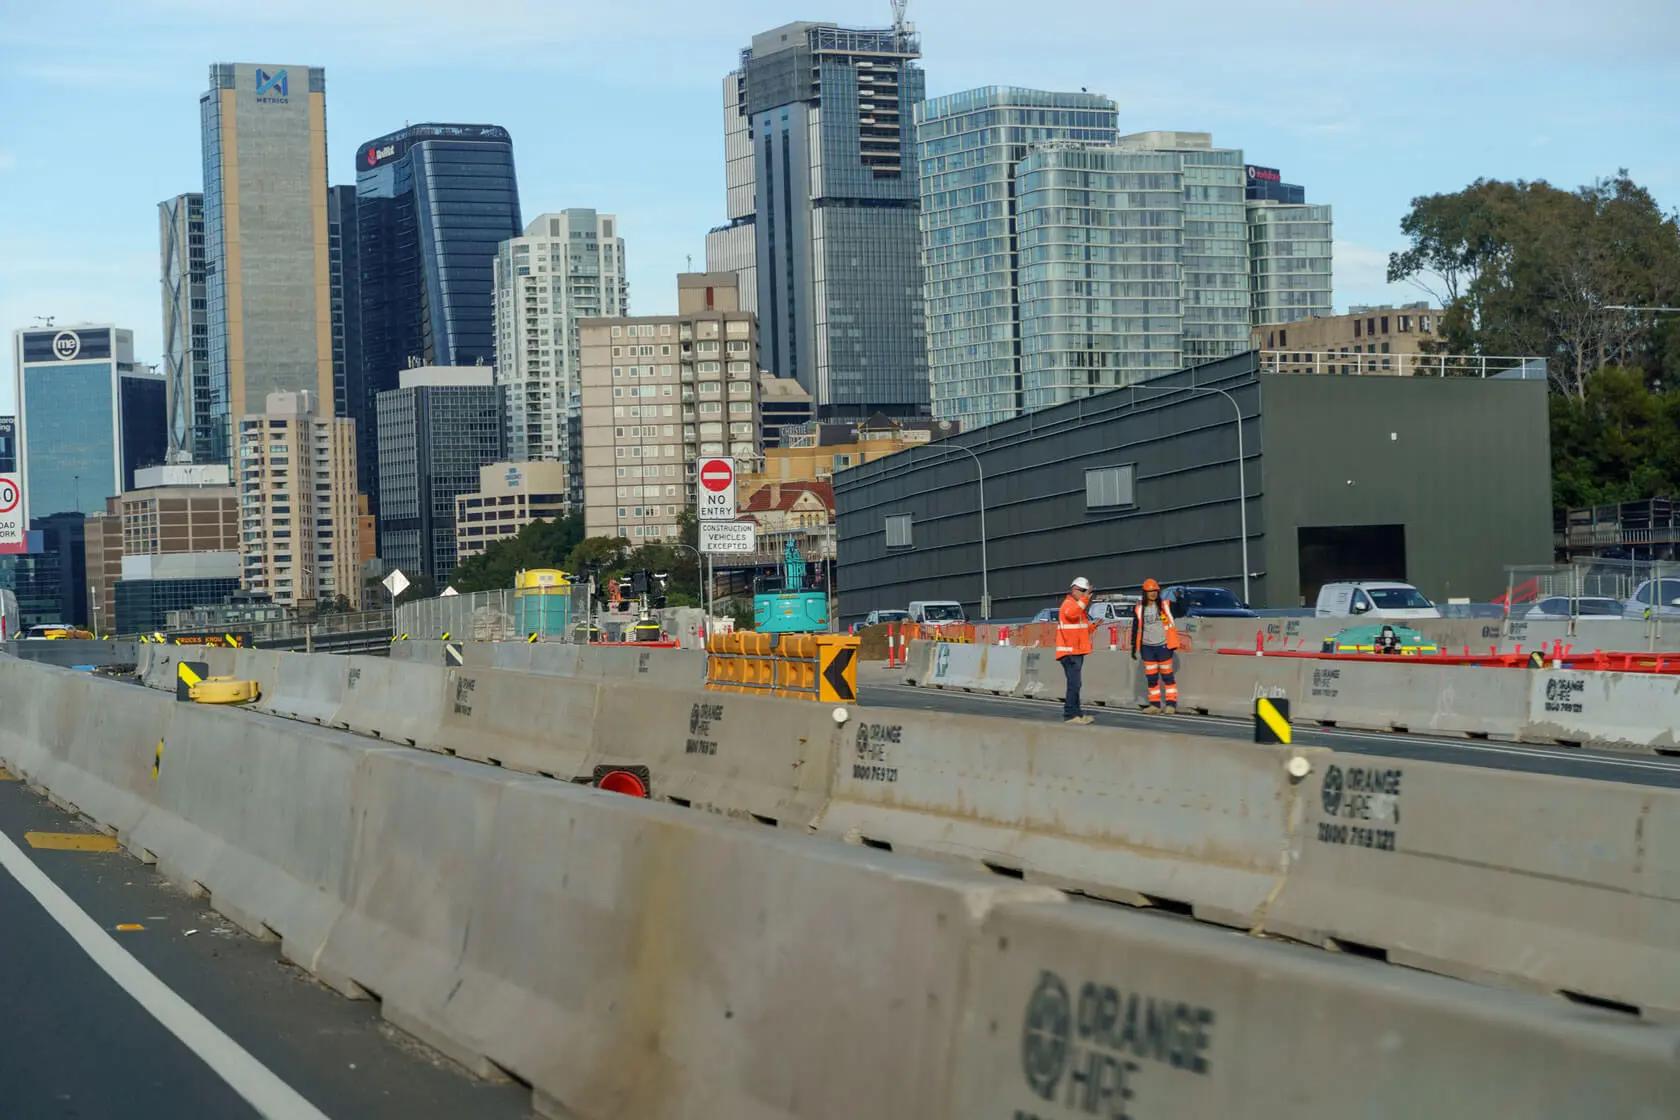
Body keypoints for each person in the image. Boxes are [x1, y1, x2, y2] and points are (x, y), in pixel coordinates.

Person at [1131, 579, 1180, 714]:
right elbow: (1135, 628)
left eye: (1155, 591)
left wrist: (1180, 599)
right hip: (1147, 647)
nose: (1152, 594)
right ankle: (1155, 705)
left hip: (1163, 645)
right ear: (1145, 593)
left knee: (1167, 676)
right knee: (1151, 678)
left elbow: (1181, 610)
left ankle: (1171, 704)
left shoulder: (1166, 605)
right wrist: (1133, 647)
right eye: (1149, 592)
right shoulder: (1139, 608)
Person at [1055, 577, 1098, 725]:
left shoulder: (1079, 607)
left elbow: (1082, 630)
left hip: (1077, 651)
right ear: (1074, 589)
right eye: (1083, 591)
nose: (1085, 594)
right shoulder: (1069, 604)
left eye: (1086, 592)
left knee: (1076, 684)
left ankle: (1077, 713)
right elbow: (1071, 614)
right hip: (1069, 652)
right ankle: (1070, 714)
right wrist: (1085, 599)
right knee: (1074, 684)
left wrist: (1094, 626)